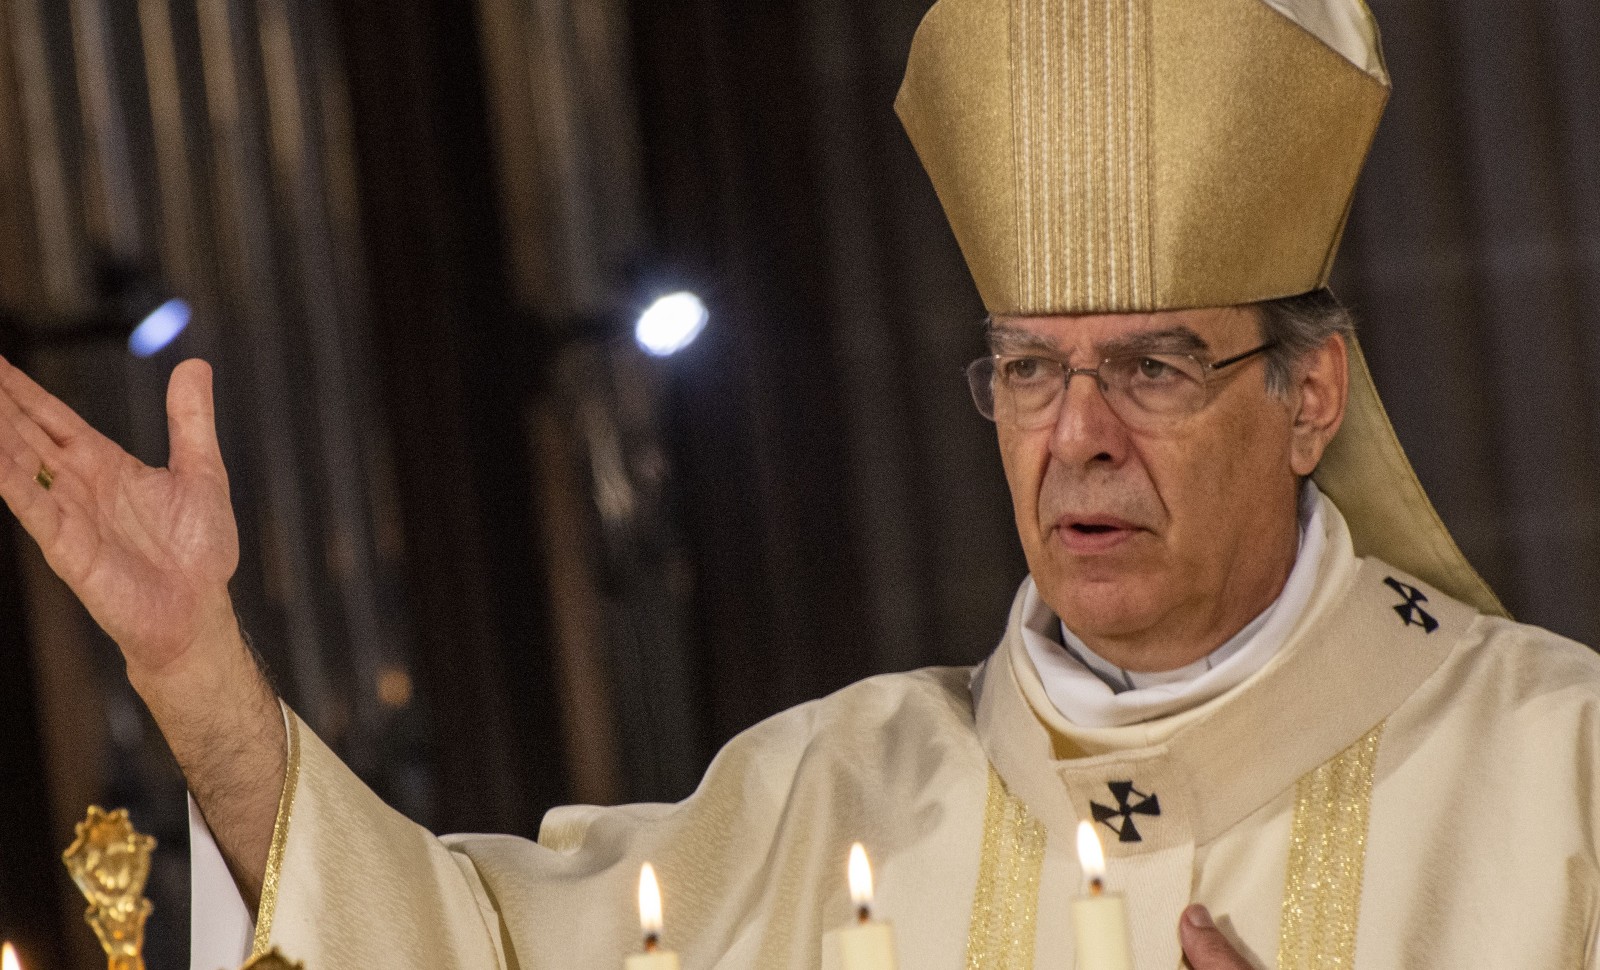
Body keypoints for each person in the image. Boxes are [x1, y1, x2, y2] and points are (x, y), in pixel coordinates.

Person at [2, 0, 1596, 967]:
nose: (1080, 433)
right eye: (1030, 367)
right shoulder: (833, 805)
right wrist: (195, 671)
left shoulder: (1559, 775)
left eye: (1156, 365)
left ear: (1310, 391)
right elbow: (455, 945)